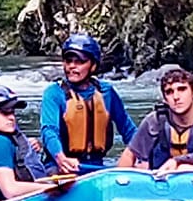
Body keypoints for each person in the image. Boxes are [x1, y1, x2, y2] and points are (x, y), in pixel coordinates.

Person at [39, 32, 136, 174]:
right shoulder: (54, 93)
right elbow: (49, 131)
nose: (72, 66)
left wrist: (141, 156)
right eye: (68, 61)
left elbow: (128, 130)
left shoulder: (106, 92)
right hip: (61, 166)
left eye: (79, 62)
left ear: (93, 65)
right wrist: (61, 158)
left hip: (97, 166)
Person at [118, 65, 193, 173]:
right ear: (165, 99)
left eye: (182, 89)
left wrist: (181, 164)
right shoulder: (154, 122)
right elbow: (129, 155)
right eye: (169, 92)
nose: (176, 97)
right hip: (160, 181)